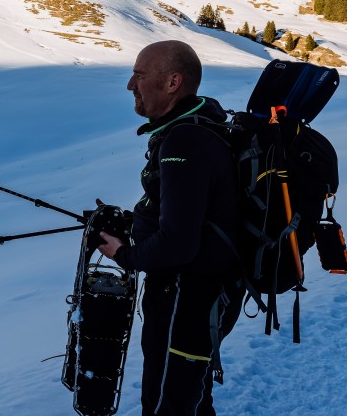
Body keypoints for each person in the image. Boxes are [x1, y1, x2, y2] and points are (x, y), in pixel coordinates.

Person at [98, 40, 242, 416]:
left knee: (168, 404)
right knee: (191, 395)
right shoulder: (197, 129)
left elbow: (178, 243)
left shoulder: (186, 140)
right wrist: (133, 224)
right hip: (203, 295)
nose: (131, 85)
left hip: (187, 298)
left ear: (173, 82)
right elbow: (192, 212)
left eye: (140, 75)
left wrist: (124, 254)